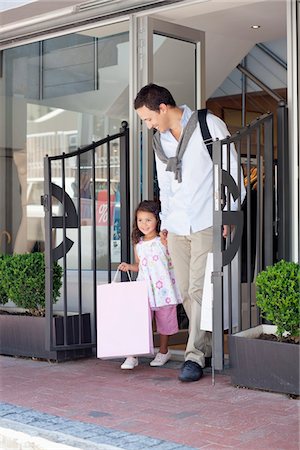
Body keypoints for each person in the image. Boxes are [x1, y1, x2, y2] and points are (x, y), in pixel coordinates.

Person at [134, 83, 246, 382]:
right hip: (178, 226)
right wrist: (166, 223)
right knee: (185, 289)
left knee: (198, 288)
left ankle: (194, 356)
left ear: (162, 107)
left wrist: (230, 211)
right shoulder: (160, 142)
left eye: (148, 118)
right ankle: (208, 347)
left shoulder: (208, 124)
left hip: (207, 218)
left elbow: (232, 170)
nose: (148, 125)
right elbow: (166, 187)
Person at [118, 200, 182, 370]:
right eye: (140, 220)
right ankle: (132, 355)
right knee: (138, 320)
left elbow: (173, 259)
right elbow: (139, 265)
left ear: (157, 220)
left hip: (164, 289)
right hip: (144, 287)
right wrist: (129, 267)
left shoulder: (164, 240)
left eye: (148, 220)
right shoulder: (138, 244)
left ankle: (163, 351)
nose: (144, 224)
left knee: (164, 321)